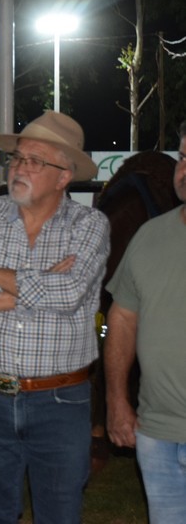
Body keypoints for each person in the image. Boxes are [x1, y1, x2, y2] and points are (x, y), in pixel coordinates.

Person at [0, 110, 110, 524]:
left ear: (64, 175)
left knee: (59, 515)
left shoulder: (89, 225)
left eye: (35, 161)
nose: (19, 167)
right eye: (17, 158)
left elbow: (69, 294)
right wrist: (36, 286)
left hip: (60, 401)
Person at [104, 122, 186, 524]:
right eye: (184, 158)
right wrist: (117, 400)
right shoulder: (150, 236)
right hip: (156, 432)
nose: (185, 170)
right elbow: (121, 319)